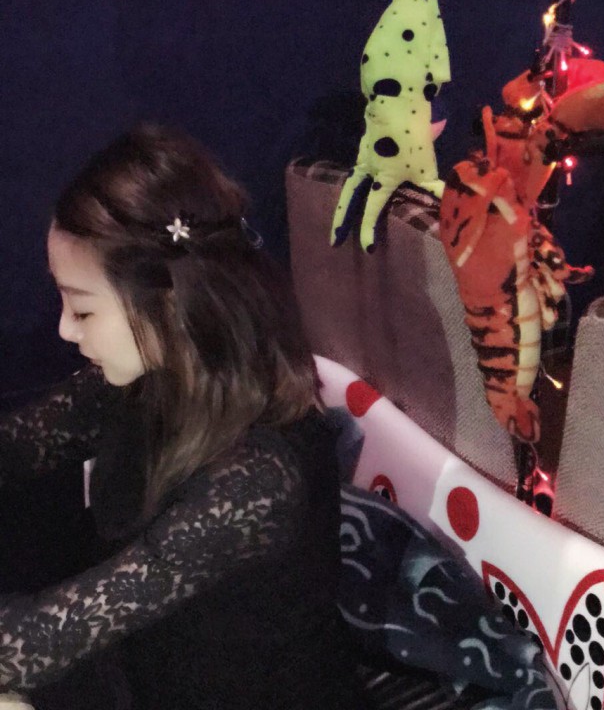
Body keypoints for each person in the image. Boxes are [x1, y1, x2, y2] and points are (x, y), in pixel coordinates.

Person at [0, 125, 366, 709]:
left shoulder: (257, 476)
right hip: (144, 664)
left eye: (83, 309)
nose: (65, 329)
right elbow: (16, 446)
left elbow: (35, 643)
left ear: (166, 302)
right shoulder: (149, 377)